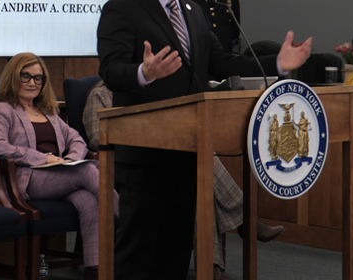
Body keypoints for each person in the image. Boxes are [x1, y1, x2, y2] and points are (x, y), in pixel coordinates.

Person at [96, 0, 312, 280]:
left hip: (189, 150)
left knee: (177, 249)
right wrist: (144, 73)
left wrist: (277, 63)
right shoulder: (122, 8)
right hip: (145, 152)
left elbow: (221, 62)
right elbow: (110, 69)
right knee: (138, 249)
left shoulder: (192, 11)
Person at [82, 81, 283, 280]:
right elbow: (97, 138)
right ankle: (244, 218)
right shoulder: (99, 95)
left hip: (158, 161)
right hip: (124, 167)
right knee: (199, 161)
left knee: (198, 182)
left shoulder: (149, 94)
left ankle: (212, 269)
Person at [0, 53, 116, 280]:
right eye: (25, 76)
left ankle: (96, 272)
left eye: (38, 78)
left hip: (59, 176)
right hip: (25, 179)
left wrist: (71, 158)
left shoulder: (49, 111)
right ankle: (126, 218)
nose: (32, 83)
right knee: (87, 170)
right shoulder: (1, 110)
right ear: (12, 77)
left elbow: (77, 140)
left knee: (89, 200)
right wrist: (43, 159)